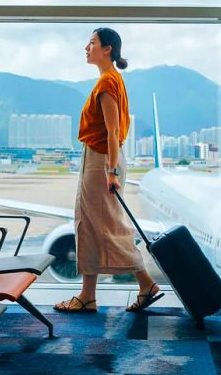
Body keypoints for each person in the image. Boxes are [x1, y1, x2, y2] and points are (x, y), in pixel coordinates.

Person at [54, 27, 164, 313]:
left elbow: (113, 132)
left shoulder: (107, 83)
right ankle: (88, 295)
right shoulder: (111, 80)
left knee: (107, 225)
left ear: (107, 49)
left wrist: (111, 171)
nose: (86, 47)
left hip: (102, 159)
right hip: (101, 158)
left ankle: (145, 283)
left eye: (92, 43)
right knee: (89, 225)